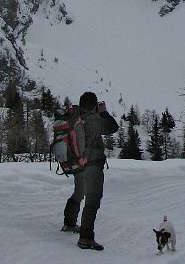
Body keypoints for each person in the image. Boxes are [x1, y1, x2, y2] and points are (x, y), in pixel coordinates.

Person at [62, 91, 119, 251]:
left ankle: (69, 223)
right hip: (91, 164)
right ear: (94, 106)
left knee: (79, 192)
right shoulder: (91, 119)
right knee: (92, 199)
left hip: (77, 163)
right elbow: (112, 127)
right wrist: (104, 112)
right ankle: (86, 238)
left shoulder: (74, 117)